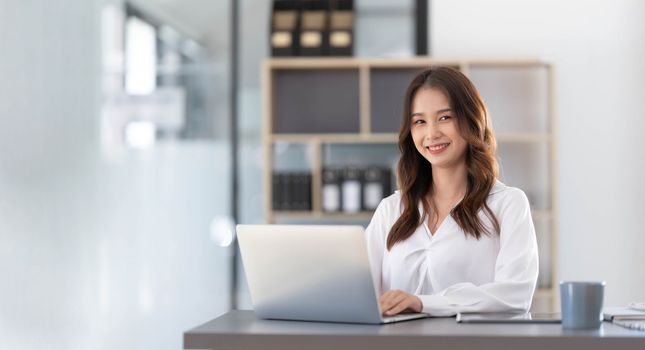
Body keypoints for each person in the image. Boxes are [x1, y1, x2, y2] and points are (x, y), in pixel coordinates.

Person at [366, 66, 539, 317]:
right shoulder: (391, 209)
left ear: (471, 120)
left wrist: (423, 303)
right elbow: (360, 292)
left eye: (445, 118)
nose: (432, 133)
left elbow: (515, 295)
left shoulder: (508, 204)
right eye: (419, 122)